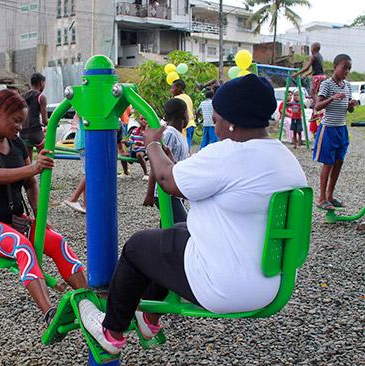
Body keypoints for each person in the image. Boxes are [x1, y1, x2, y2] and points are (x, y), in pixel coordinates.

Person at [77, 74, 308, 355]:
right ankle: (148, 316)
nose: (215, 123)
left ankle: (111, 331)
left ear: (232, 121)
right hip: (270, 285)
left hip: (222, 287)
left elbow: (166, 179)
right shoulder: (286, 160)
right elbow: (192, 183)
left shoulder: (227, 154)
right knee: (174, 235)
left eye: (218, 117)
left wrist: (151, 144)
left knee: (138, 246)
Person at [0, 89, 87, 323]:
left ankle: (89, 299)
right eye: (15, 121)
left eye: (22, 122)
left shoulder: (16, 144)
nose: (19, 127)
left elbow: (30, 183)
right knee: (22, 247)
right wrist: (35, 167)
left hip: (17, 221)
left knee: (56, 240)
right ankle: (50, 313)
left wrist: (39, 214)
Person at [313, 54, 358, 211]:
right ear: (335, 66)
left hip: (341, 128)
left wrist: (351, 104)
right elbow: (317, 106)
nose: (347, 71)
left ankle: (330, 196)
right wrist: (332, 98)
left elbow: (349, 109)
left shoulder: (347, 85)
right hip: (329, 129)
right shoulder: (327, 84)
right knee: (328, 162)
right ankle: (321, 198)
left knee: (339, 161)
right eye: (344, 67)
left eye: (349, 68)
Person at [144, 98, 189, 224]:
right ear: (184, 114)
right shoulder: (169, 134)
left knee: (168, 225)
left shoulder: (178, 134)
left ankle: (159, 243)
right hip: (166, 192)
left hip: (175, 190)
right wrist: (150, 193)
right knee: (183, 225)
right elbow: (156, 163)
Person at [293, 42, 325, 136]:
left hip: (317, 77)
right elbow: (313, 68)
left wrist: (297, 73)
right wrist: (306, 75)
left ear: (313, 48)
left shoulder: (313, 56)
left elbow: (307, 67)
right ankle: (317, 107)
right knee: (317, 93)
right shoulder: (320, 56)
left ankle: (317, 109)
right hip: (322, 76)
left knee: (312, 93)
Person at [21, 73, 48, 160]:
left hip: (23, 132)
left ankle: (30, 173)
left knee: (28, 163)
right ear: (41, 83)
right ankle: (43, 174)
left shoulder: (23, 96)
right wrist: (53, 123)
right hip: (36, 132)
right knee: (44, 159)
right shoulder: (41, 97)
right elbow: (44, 121)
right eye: (44, 83)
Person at [63, 114, 86, 214]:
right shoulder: (86, 106)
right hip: (86, 142)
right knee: (90, 173)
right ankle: (73, 198)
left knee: (87, 173)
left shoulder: (81, 106)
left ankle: (86, 205)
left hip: (81, 142)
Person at [171, 79, 196, 150]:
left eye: (173, 88)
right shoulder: (188, 97)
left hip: (185, 125)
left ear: (179, 88)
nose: (171, 90)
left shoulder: (177, 98)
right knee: (188, 144)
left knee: (184, 146)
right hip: (191, 124)